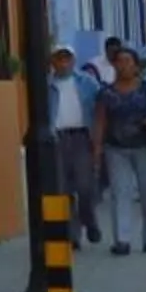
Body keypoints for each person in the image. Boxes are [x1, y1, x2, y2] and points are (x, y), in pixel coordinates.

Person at [92, 46, 146, 255]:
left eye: (128, 61)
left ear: (136, 66)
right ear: (114, 65)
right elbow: (100, 121)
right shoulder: (106, 93)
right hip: (116, 149)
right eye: (120, 61)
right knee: (120, 194)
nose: (124, 65)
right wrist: (97, 149)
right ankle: (122, 240)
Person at [46, 42, 101, 244]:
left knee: (85, 186)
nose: (63, 62)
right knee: (63, 188)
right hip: (57, 139)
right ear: (53, 62)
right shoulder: (47, 85)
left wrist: (98, 138)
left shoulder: (87, 82)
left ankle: (90, 221)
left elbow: (100, 107)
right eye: (59, 58)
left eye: (67, 58)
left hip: (81, 137)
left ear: (73, 60)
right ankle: (73, 234)